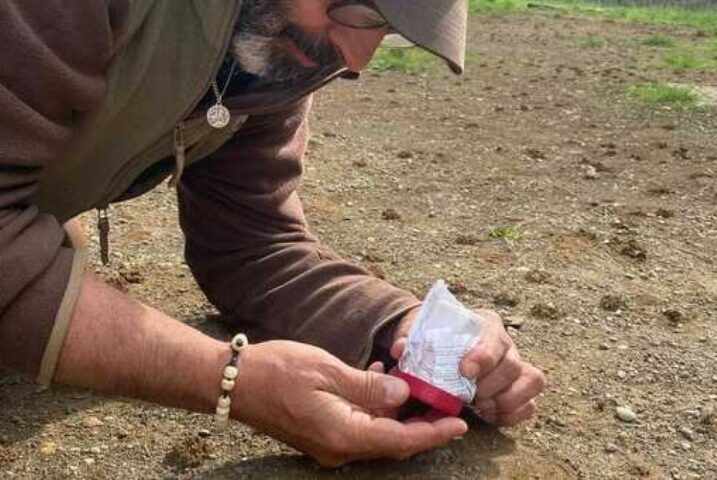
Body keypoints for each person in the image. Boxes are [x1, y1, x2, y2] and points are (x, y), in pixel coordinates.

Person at [0, 0, 546, 467]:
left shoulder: (269, 52)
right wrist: (228, 378)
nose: (357, 59)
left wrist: (402, 328)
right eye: (360, 7)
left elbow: (253, 244)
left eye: (387, 28)